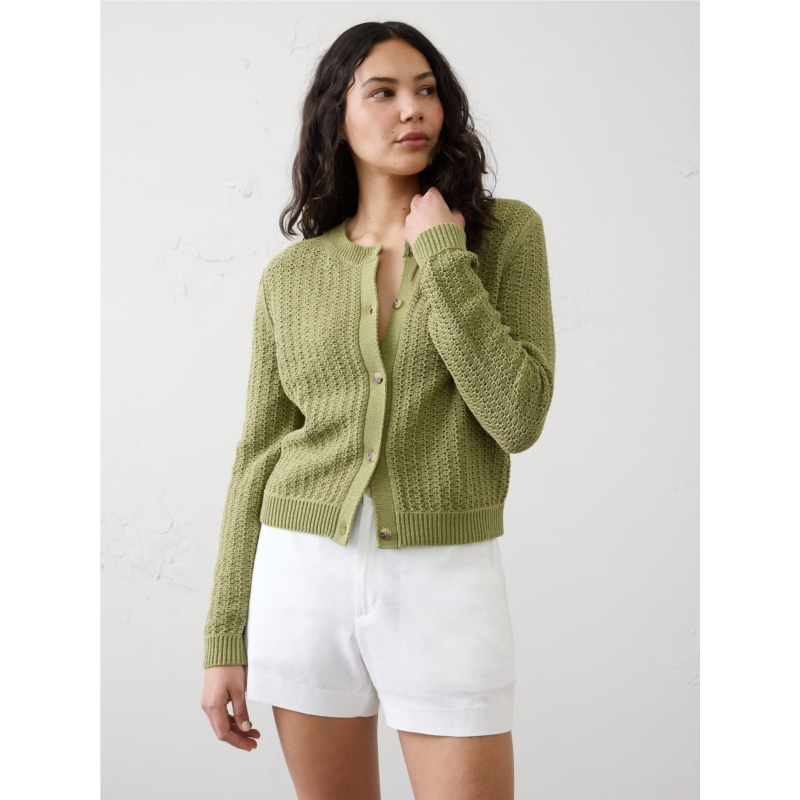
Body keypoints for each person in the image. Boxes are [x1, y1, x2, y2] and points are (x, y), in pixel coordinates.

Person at [200, 20, 555, 800]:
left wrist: (445, 260)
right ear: (337, 117)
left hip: (444, 582)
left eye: (426, 90)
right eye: (384, 92)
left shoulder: (505, 237)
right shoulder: (291, 276)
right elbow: (259, 452)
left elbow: (518, 416)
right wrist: (225, 634)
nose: (411, 109)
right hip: (302, 576)